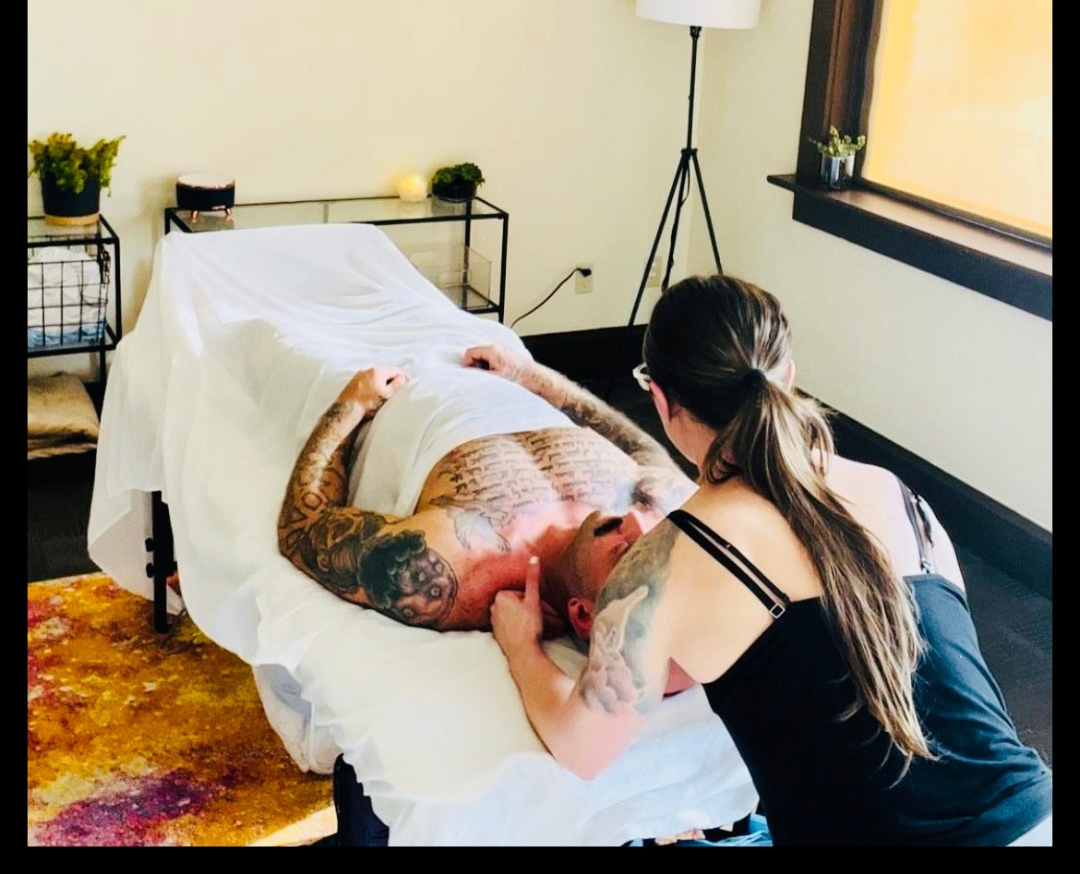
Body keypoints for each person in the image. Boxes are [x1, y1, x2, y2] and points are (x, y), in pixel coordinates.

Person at [489, 273, 1053, 847]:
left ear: (659, 400)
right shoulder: (900, 497)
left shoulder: (663, 566)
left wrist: (521, 645)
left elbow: (582, 750)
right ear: (788, 375)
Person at [276, 350, 696, 648]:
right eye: (652, 541)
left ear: (582, 614)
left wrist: (349, 404)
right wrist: (536, 378)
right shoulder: (669, 511)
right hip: (501, 373)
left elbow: (303, 529)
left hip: (399, 385)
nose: (634, 523)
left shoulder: (459, 567)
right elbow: (642, 449)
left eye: (626, 554)